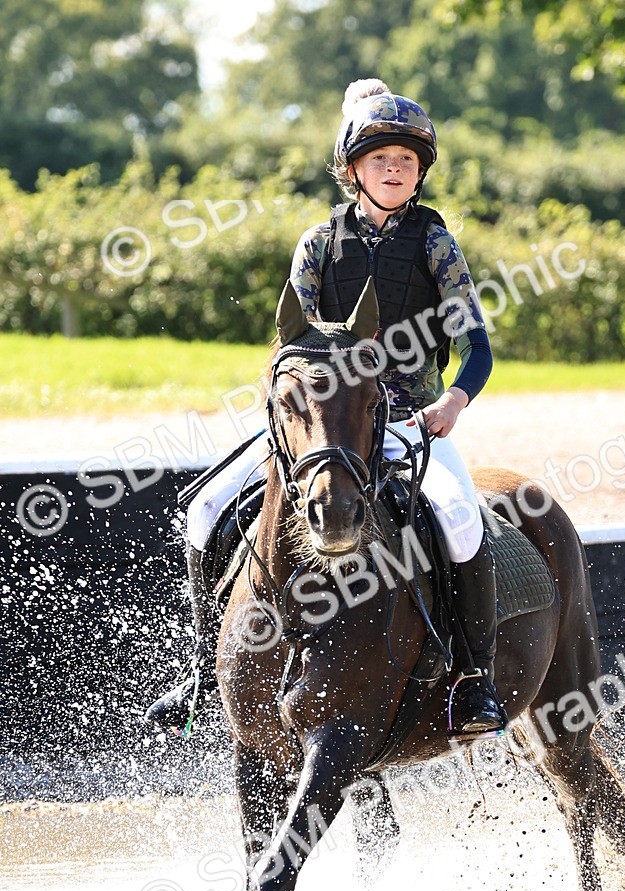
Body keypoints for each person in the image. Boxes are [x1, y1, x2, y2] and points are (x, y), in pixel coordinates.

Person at [146, 79, 506, 738]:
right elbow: (291, 347)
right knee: (202, 510)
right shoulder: (315, 245)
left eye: (406, 160)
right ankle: (203, 671)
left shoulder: (435, 245)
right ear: (351, 170)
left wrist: (455, 400)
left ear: (420, 172)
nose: (394, 169)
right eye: (380, 160)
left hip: (406, 422)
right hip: (320, 425)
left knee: (458, 516)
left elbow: (478, 347)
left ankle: (474, 680)